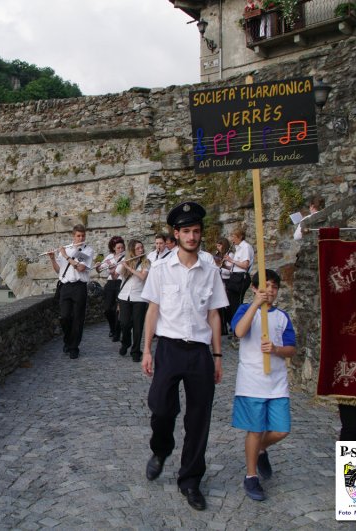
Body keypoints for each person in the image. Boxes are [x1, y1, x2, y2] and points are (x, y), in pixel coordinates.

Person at [141, 201, 229, 511]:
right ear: (175, 234)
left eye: (197, 231)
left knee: (198, 420)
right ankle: (161, 449)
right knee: (161, 409)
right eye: (186, 231)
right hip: (169, 348)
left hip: (200, 352)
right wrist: (147, 350)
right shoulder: (161, 268)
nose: (192, 236)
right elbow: (152, 309)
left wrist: (217, 356)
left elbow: (215, 315)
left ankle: (190, 480)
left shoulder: (210, 268)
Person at [230, 269, 297, 502]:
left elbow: (291, 349)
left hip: (277, 383)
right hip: (251, 382)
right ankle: (251, 476)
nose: (269, 290)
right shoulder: (244, 310)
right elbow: (239, 331)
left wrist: (276, 350)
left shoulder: (282, 317)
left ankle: (259, 450)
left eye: (274, 287)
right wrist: (255, 304)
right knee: (255, 429)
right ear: (254, 288)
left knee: (282, 429)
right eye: (265, 286)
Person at [48, 224, 94, 359]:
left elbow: (80, 268)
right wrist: (52, 258)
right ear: (73, 236)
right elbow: (58, 270)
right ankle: (68, 341)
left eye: (83, 235)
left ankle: (74, 347)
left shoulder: (87, 251)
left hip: (79, 286)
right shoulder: (66, 249)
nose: (81, 238)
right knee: (64, 317)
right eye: (78, 235)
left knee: (78, 318)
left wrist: (65, 256)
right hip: (65, 286)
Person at [116, 239, 149, 362]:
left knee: (138, 326)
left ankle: (136, 351)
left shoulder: (146, 262)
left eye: (142, 247)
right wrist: (121, 263)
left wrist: (130, 268)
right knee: (124, 323)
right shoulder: (126, 261)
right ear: (132, 251)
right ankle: (126, 342)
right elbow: (115, 273)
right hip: (124, 296)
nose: (141, 250)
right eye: (138, 248)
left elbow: (142, 277)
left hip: (139, 297)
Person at [222, 227, 254, 328]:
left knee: (237, 303)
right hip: (235, 276)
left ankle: (239, 326)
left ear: (240, 237)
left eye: (233, 237)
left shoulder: (246, 247)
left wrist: (231, 260)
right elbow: (235, 266)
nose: (232, 239)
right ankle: (234, 326)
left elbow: (245, 265)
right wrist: (224, 265)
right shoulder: (239, 248)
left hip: (241, 278)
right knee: (230, 302)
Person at [95, 236, 125, 342]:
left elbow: (119, 273)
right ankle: (112, 328)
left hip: (121, 283)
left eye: (122, 247)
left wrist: (114, 270)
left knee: (118, 309)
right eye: (118, 248)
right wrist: (98, 266)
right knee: (107, 309)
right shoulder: (109, 257)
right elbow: (99, 270)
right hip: (110, 284)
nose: (121, 250)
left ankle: (117, 332)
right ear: (113, 248)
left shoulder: (126, 258)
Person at [214, 237, 233, 335]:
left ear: (224, 245)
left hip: (226, 281)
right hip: (219, 281)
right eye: (217, 246)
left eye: (219, 246)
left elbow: (231, 270)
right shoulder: (218, 255)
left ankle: (230, 326)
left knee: (227, 305)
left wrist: (221, 268)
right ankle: (222, 326)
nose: (217, 248)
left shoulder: (229, 255)